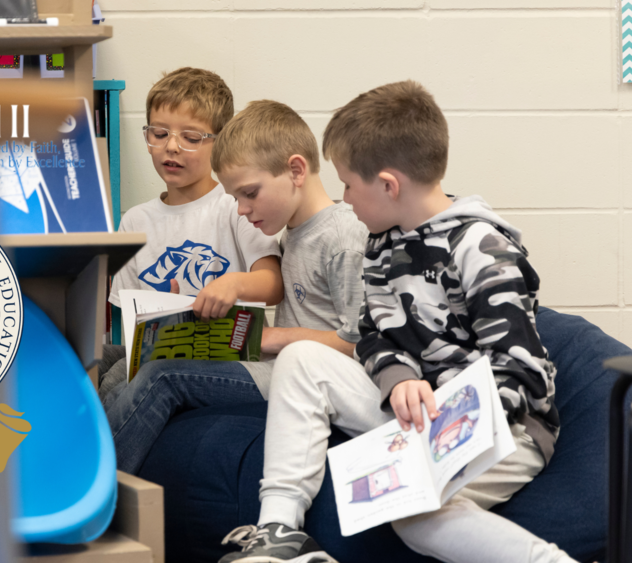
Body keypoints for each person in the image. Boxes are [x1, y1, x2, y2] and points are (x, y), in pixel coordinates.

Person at [217, 81, 576, 563]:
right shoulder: (384, 245)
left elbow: (520, 369)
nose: (342, 197)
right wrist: (400, 378)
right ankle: (279, 530)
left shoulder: (482, 249)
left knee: (408, 508)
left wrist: (447, 430)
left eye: (347, 184)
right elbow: (374, 337)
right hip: (418, 413)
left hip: (502, 426)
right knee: (302, 358)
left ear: (388, 185)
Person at [105, 100, 370, 474]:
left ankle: (92, 490)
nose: (242, 210)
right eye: (235, 199)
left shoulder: (343, 236)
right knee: (114, 364)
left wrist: (268, 338)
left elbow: (360, 346)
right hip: (274, 362)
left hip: (304, 377)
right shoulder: (294, 232)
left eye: (250, 193)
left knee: (160, 375)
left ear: (296, 170)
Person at [100, 68, 283, 405]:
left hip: (224, 359)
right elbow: (126, 322)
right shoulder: (135, 221)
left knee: (116, 380)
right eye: (159, 133)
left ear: (220, 141)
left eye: (191, 137)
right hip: (162, 352)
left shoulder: (235, 206)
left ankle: (99, 453)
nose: (172, 146)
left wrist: (235, 285)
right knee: (93, 360)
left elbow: (273, 284)